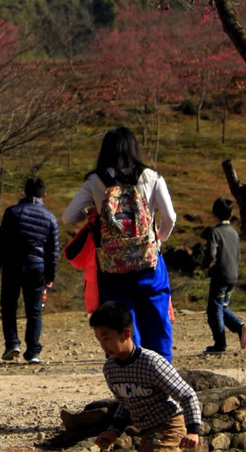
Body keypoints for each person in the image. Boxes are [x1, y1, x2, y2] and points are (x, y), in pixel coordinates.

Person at [91, 301, 230, 452]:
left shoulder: (151, 362)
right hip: (148, 432)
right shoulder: (111, 369)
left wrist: (194, 430)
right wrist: (113, 430)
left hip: (169, 426)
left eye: (106, 337)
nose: (103, 345)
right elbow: (126, 403)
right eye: (98, 339)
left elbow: (187, 394)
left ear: (126, 333)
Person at [62, 126, 176, 360]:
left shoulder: (95, 180)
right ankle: (163, 378)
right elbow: (170, 217)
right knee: (157, 323)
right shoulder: (152, 176)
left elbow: (68, 217)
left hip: (112, 268)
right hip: (149, 264)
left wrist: (91, 211)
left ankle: (131, 382)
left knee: (123, 327)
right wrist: (158, 240)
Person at [0, 175, 59, 364]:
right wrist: (50, 275)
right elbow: (53, 251)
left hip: (12, 264)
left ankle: (12, 343)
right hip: (37, 266)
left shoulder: (12, 212)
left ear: (24, 192)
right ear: (44, 195)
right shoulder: (50, 218)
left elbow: (1, 239)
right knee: (34, 310)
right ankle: (33, 351)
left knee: (9, 306)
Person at [203, 196, 246, 355]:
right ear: (230, 215)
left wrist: (206, 266)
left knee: (214, 310)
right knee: (222, 305)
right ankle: (240, 327)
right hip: (233, 275)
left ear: (214, 214)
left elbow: (211, 253)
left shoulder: (215, 232)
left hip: (220, 275)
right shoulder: (234, 233)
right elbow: (238, 255)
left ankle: (220, 343)